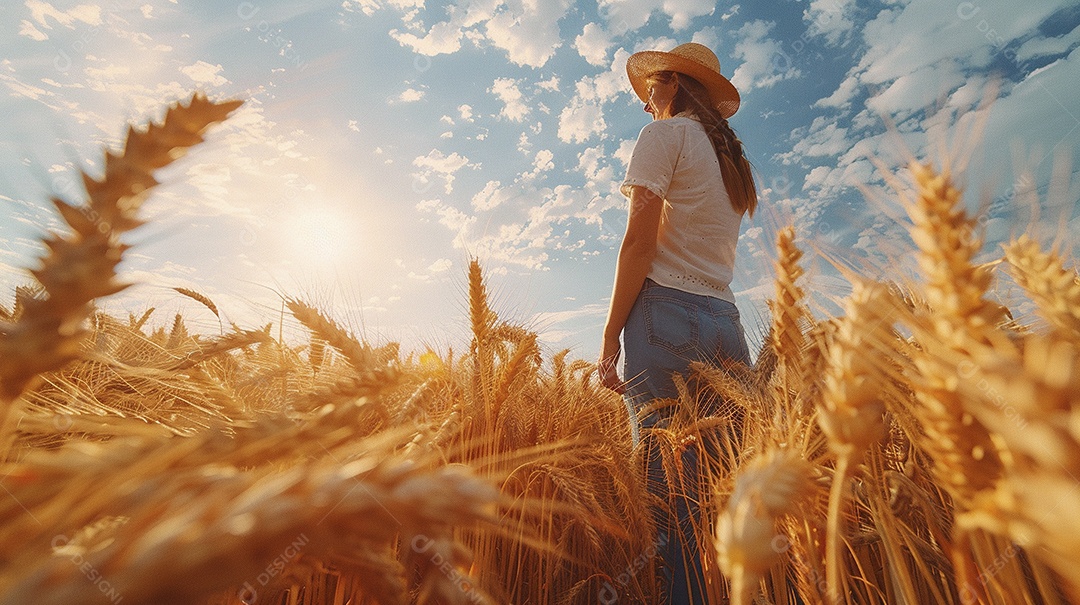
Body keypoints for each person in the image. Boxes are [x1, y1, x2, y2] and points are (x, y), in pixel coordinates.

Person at [598, 42, 757, 604]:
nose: (645, 103)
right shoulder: (732, 162)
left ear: (671, 85)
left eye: (650, 90)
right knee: (721, 489)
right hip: (726, 324)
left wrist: (611, 332)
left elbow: (639, 241)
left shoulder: (663, 137)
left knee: (668, 498)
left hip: (664, 316)